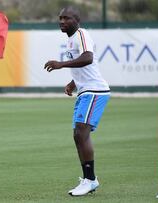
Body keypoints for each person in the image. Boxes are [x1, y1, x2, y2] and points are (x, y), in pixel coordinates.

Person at [44, 6, 110, 196]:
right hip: (85, 91)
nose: (62, 21)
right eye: (60, 18)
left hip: (95, 90)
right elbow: (85, 65)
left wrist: (61, 64)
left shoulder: (81, 34)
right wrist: (73, 83)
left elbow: (88, 58)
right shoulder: (71, 40)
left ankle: (90, 180)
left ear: (76, 20)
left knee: (82, 134)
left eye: (67, 18)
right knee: (77, 135)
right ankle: (88, 179)